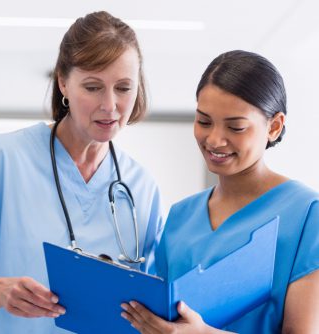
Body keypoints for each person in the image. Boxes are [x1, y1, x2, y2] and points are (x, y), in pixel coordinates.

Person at [0, 11, 163, 333]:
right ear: (63, 82)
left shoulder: (141, 188)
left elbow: (149, 310)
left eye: (124, 88)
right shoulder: (0, 162)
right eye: (93, 87)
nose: (110, 106)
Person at [121, 50, 319, 333]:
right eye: (203, 121)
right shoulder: (181, 216)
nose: (214, 139)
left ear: (274, 127)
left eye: (235, 127)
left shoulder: (307, 213)